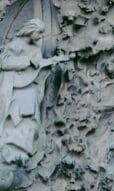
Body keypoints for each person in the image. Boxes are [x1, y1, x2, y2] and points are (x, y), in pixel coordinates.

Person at [0, 19, 69, 162]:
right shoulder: (15, 45)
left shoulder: (36, 50)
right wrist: (26, 61)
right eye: (39, 32)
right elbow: (4, 63)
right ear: (30, 30)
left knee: (30, 113)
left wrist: (50, 65)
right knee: (14, 110)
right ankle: (7, 145)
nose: (41, 36)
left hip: (29, 87)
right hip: (12, 86)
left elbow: (37, 69)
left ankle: (22, 148)